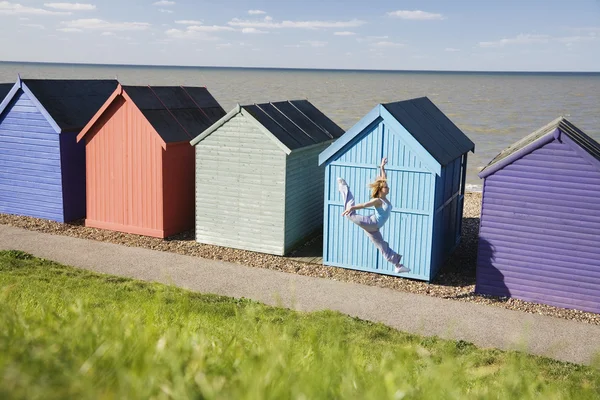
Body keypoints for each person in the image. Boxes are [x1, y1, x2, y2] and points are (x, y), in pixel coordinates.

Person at [339, 157, 410, 274]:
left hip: (374, 228)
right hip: (371, 223)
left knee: (382, 246)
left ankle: (398, 265)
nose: (388, 187)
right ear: (381, 190)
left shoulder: (385, 198)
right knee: (350, 214)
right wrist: (352, 207)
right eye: (386, 187)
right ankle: (343, 187)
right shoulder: (378, 200)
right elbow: (364, 205)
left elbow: (383, 179)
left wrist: (382, 167)